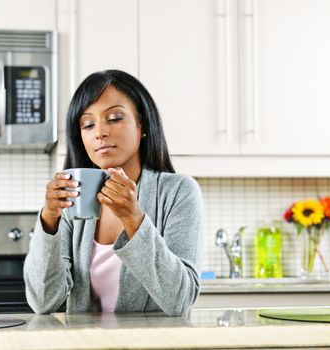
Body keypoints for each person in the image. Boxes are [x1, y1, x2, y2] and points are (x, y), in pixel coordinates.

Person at [23, 70, 204, 316]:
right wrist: (48, 220)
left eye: (115, 118)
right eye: (88, 124)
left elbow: (179, 300)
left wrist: (133, 219)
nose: (99, 133)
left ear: (142, 125)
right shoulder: (74, 199)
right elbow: (43, 301)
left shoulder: (179, 192)